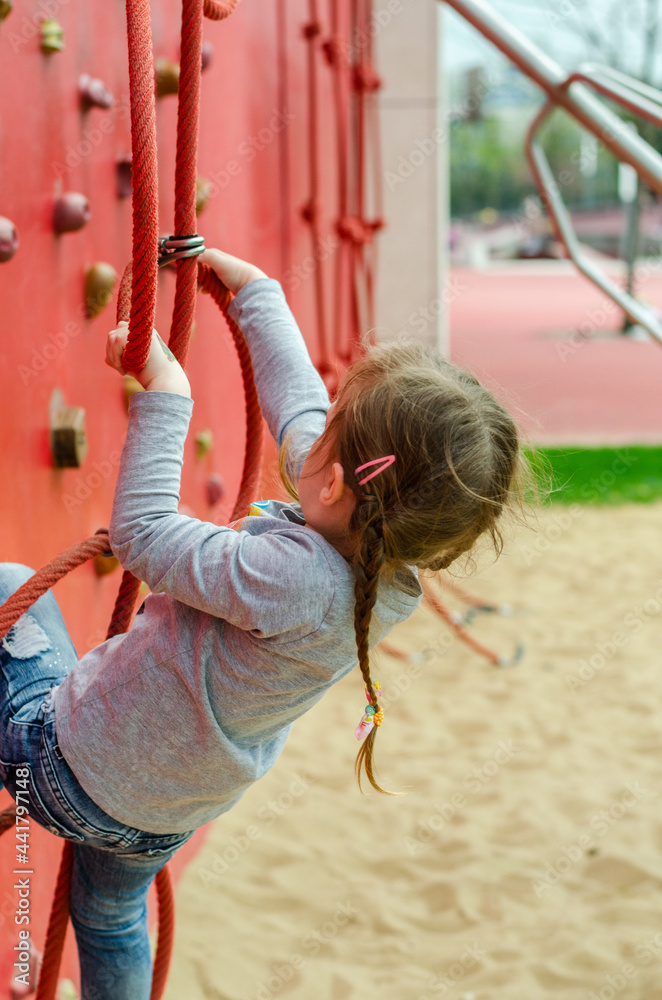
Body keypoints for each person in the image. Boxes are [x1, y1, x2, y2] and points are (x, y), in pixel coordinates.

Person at [0, 249, 525, 1000]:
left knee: (11, 588)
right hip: (165, 813)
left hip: (63, 769)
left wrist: (167, 387)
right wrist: (255, 291)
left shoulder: (294, 579)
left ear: (336, 481)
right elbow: (305, 414)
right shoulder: (379, 567)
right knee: (112, 917)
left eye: (330, 434)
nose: (310, 435)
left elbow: (144, 534)